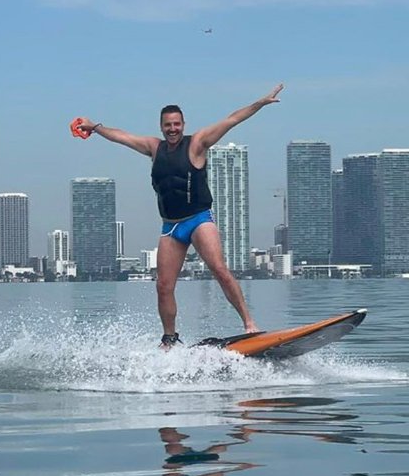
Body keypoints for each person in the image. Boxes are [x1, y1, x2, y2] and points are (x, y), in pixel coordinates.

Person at [74, 84, 284, 347]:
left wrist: (260, 103)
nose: (172, 129)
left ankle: (250, 324)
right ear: (161, 127)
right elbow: (121, 136)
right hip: (171, 228)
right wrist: (95, 127)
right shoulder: (153, 147)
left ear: (183, 125)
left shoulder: (197, 143)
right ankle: (170, 338)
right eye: (167, 125)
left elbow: (232, 119)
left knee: (219, 269)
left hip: (198, 219)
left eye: (176, 124)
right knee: (163, 285)